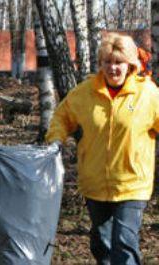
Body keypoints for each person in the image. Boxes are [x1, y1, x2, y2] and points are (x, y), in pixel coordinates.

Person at [46, 33, 158, 265]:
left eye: (118, 62)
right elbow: (61, 117)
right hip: (94, 183)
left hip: (132, 183)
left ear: (130, 64)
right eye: (107, 62)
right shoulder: (85, 92)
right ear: (100, 64)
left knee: (124, 244)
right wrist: (56, 139)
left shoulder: (148, 94)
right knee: (101, 245)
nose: (113, 68)